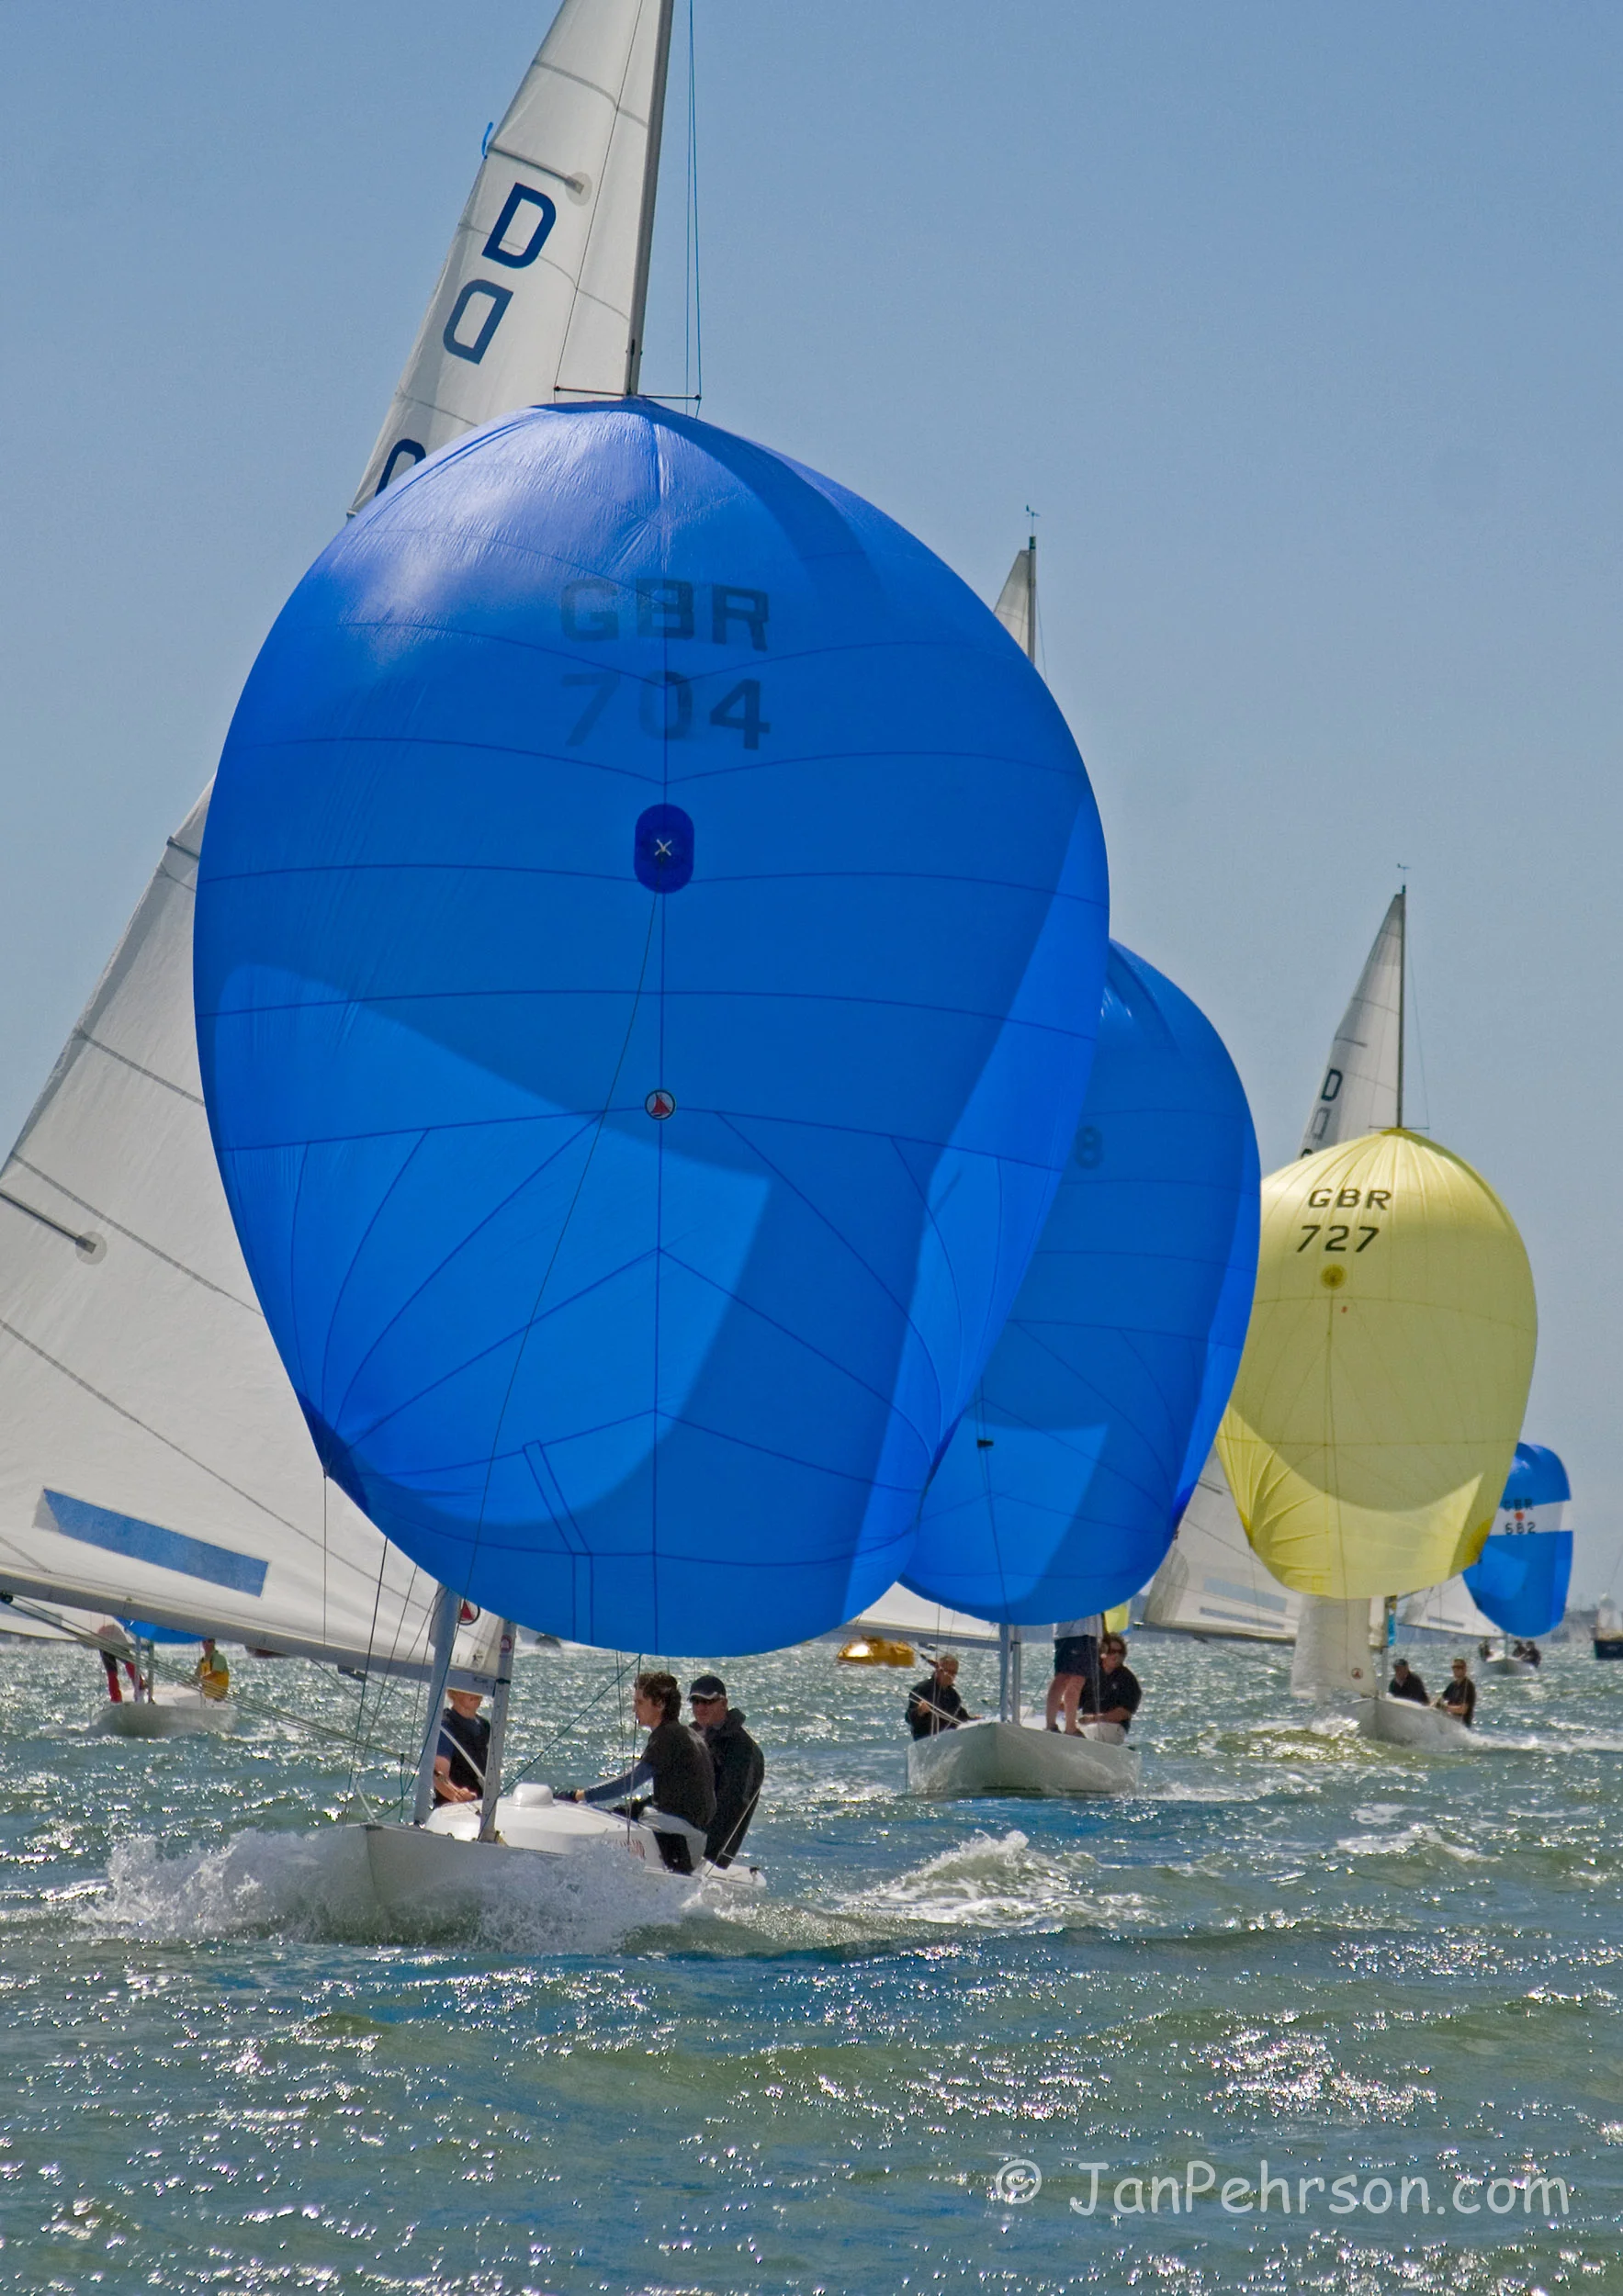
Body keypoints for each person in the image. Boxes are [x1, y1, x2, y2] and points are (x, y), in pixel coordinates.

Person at [569, 1671, 716, 1874]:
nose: (634, 1709)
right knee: (618, 1814)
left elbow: (630, 1781)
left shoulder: (667, 1736)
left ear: (660, 1704)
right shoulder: (688, 1734)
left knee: (600, 1830)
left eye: (639, 1702)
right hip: (694, 1840)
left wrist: (578, 1796)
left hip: (677, 1839)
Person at [688, 1674, 764, 1868]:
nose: (700, 1707)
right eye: (696, 1701)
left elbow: (733, 1804)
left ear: (724, 1703)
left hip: (709, 1855)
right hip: (685, 1836)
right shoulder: (695, 1738)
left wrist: (707, 1855)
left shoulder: (741, 1747)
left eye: (708, 1701)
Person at [433, 1687, 490, 1806]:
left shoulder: (485, 1726)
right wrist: (457, 1794)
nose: (475, 1692)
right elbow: (438, 1775)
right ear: (453, 1693)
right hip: (453, 1809)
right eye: (467, 1687)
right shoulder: (445, 1726)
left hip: (482, 1807)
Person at [1045, 1616, 1102, 1733]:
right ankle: (1050, 1724)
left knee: (1079, 1679)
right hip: (1069, 1630)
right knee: (1063, 1676)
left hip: (1091, 1630)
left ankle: (1070, 1727)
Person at [1080, 1634, 1142, 1734]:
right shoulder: (1090, 1674)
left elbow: (1124, 1713)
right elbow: (1076, 1700)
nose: (1116, 1655)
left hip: (1114, 1727)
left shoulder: (1128, 1679)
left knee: (1091, 1732)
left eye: (1120, 1652)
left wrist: (1094, 1718)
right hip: (1087, 1724)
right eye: (1112, 1651)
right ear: (1102, 1653)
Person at [906, 1653, 975, 1739]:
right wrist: (920, 1711)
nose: (951, 1676)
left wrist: (974, 1720)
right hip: (926, 1740)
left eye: (954, 1673)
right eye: (947, 1671)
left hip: (948, 1739)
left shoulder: (953, 1695)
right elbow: (908, 1718)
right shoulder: (923, 1689)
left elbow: (961, 1717)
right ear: (938, 1670)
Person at [1437, 1657, 1477, 1727]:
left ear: (1465, 1670)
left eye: (1459, 1667)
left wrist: (1444, 1708)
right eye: (1454, 1667)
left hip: (1461, 1724)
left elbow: (1463, 1709)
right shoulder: (1452, 1685)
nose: (1456, 1670)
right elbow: (1441, 1698)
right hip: (1451, 1720)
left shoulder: (1468, 1687)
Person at [193, 1638, 231, 1702]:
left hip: (219, 1698)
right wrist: (183, 1685)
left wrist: (202, 1679)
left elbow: (215, 1673)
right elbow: (195, 1678)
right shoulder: (202, 1661)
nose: (206, 1644)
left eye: (209, 1641)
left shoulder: (219, 1658)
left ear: (214, 1643)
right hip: (207, 1698)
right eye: (204, 1642)